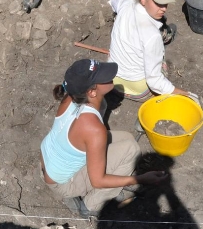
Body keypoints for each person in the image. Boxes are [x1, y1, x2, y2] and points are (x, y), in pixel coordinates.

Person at [40, 59, 169, 218]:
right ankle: (91, 205)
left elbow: (96, 114)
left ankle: (103, 186)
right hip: (63, 182)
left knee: (128, 139)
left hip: (49, 163)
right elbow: (98, 181)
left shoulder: (70, 97)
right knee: (131, 149)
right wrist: (140, 179)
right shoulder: (93, 129)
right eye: (102, 77)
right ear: (92, 92)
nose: (109, 76)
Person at [108, 0, 197, 102]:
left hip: (111, 81)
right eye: (158, 3)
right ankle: (167, 34)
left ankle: (165, 33)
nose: (164, 8)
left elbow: (115, 1)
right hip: (139, 92)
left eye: (165, 3)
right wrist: (185, 94)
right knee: (161, 62)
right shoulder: (152, 36)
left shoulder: (126, 5)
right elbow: (154, 82)